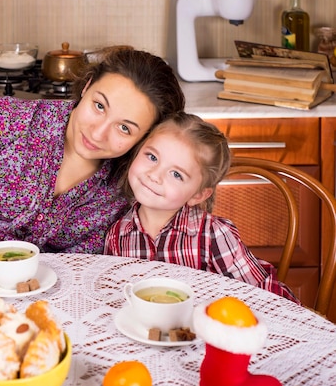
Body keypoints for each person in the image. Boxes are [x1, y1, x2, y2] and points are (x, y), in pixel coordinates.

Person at [0, 47, 185, 274]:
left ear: (143, 138)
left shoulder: (126, 187)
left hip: (39, 315)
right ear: (86, 85)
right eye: (98, 106)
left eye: (124, 128)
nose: (98, 132)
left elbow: (79, 272)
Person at [104, 113, 299, 303]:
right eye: (152, 157)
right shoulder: (117, 234)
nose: (154, 175)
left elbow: (265, 296)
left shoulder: (213, 235)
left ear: (198, 195)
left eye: (176, 174)